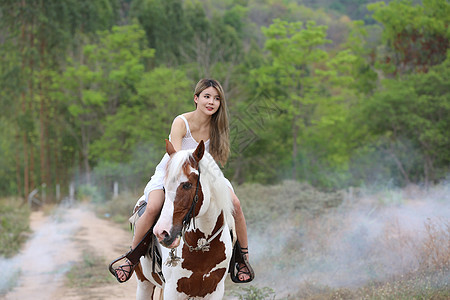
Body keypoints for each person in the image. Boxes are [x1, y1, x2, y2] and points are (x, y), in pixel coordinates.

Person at [111, 78, 254, 284]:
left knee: (236, 205)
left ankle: (242, 258)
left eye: (216, 98)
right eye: (206, 96)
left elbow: (211, 161)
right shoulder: (181, 122)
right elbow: (175, 158)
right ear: (196, 98)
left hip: (204, 174)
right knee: (153, 207)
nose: (211, 102)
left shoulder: (218, 127)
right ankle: (131, 258)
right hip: (172, 172)